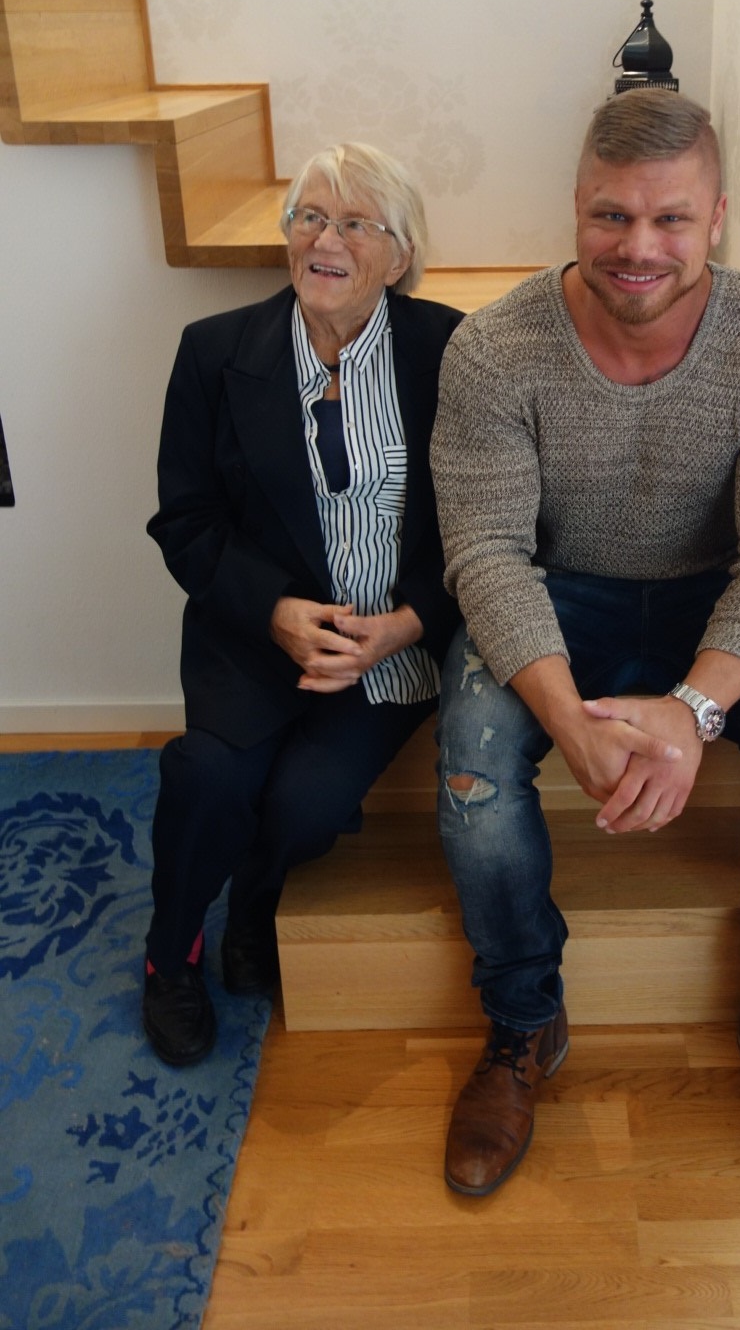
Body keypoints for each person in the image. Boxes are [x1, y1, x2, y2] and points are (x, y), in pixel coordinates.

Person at [429, 89, 740, 1202]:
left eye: (670, 218)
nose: (639, 246)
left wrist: (693, 712)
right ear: (575, 207)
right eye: (612, 215)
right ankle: (522, 1021)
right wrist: (567, 720)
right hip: (557, 593)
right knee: (474, 759)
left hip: (720, 594)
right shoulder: (493, 349)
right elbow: (485, 553)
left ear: (717, 216)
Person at [142, 142, 461, 1066]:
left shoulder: (448, 351)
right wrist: (276, 613)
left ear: (399, 256)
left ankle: (253, 907)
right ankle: (170, 952)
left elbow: (484, 519)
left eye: (356, 223)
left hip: (389, 647)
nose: (325, 240)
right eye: (310, 217)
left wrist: (406, 625)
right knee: (208, 779)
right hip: (254, 635)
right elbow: (185, 522)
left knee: (307, 805)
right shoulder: (214, 353)